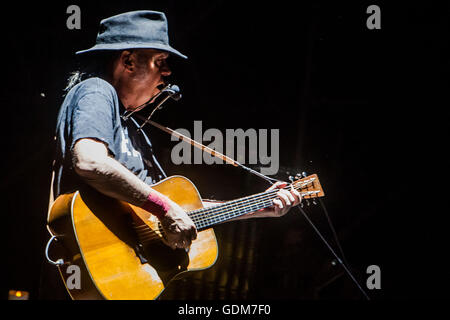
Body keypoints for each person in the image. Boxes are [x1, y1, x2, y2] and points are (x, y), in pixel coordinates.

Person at [44, 10, 301, 299]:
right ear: (127, 60)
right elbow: (90, 161)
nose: (167, 72)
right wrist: (165, 208)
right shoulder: (97, 90)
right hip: (92, 263)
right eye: (160, 61)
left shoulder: (134, 130)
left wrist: (259, 206)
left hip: (124, 278)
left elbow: (177, 213)